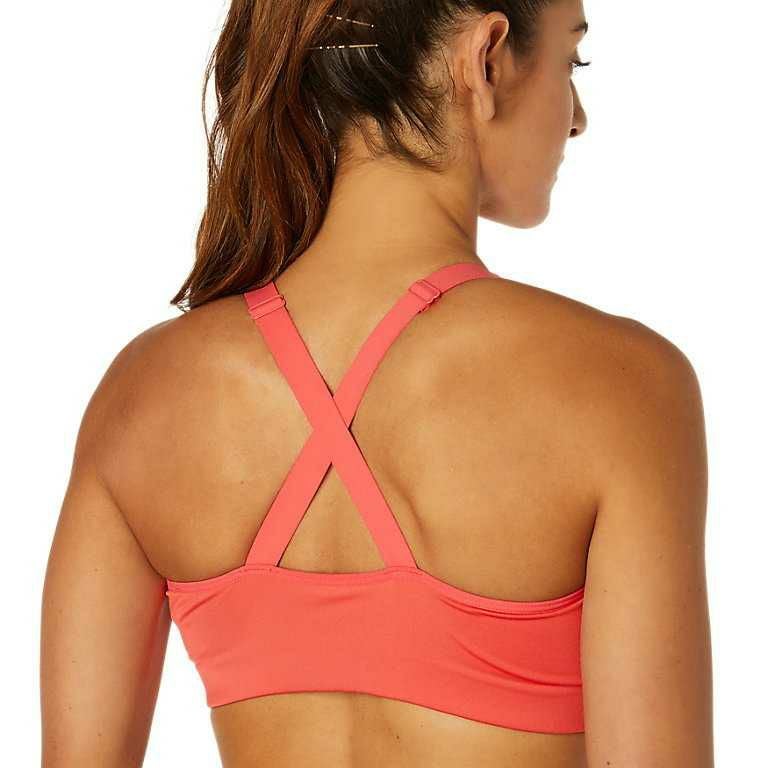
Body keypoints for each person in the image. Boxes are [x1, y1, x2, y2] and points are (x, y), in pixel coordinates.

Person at [40, 1, 714, 766]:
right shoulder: (623, 388)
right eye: (571, 62)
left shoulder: (140, 399)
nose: (578, 117)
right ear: (487, 59)